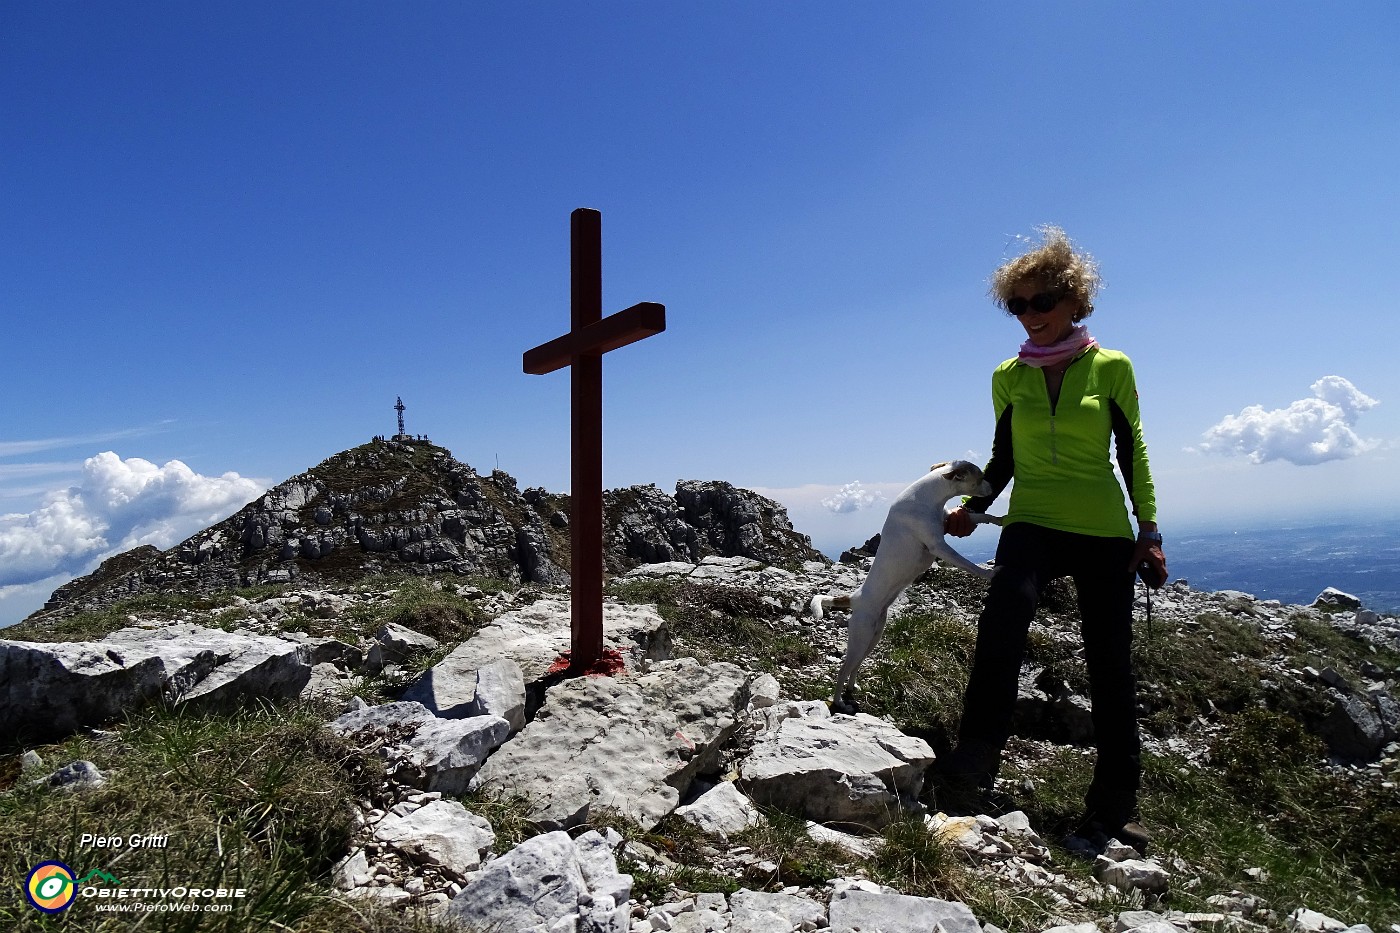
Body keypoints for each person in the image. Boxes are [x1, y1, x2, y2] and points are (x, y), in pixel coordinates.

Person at [939, 225, 1167, 855]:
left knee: (1110, 665)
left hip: (1101, 531)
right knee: (1002, 621)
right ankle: (976, 756)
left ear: (1074, 302)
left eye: (1042, 302)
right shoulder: (1008, 375)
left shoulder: (1112, 366)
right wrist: (970, 505)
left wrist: (1147, 531)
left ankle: (1115, 806)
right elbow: (1003, 458)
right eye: (1018, 305)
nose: (1030, 315)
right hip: (1032, 522)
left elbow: (1132, 451)